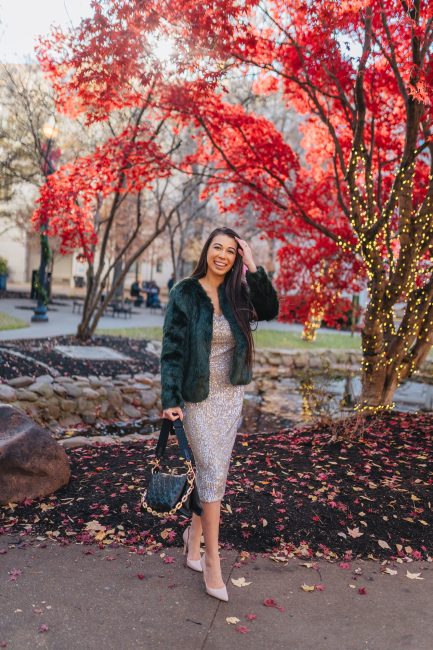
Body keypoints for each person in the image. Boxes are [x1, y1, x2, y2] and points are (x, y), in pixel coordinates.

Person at [160, 227, 279, 602]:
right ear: (206, 251)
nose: (222, 255)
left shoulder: (237, 293)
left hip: (230, 398)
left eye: (230, 251)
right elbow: (171, 350)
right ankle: (212, 559)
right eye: (217, 247)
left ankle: (192, 539)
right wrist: (170, 398)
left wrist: (254, 265)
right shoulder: (185, 292)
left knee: (213, 473)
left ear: (236, 257)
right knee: (210, 469)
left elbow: (270, 310)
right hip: (197, 397)